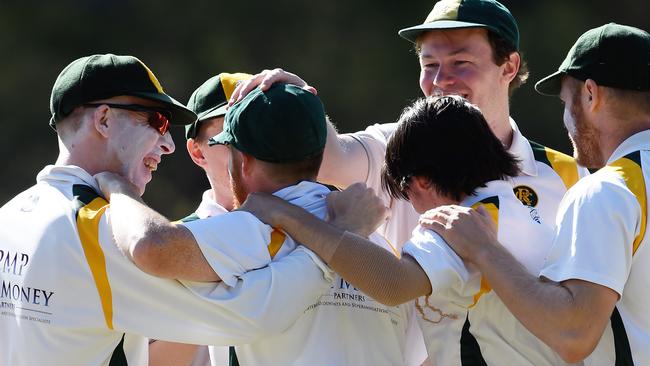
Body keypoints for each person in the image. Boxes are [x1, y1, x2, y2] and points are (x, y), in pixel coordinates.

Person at [228, 0, 587, 362]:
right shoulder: (397, 146)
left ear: (508, 66)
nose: (441, 79)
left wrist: (281, 213)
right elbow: (326, 157)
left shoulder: (568, 175)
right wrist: (299, 98)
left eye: (461, 63)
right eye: (430, 65)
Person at [0, 54, 334, 366]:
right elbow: (252, 316)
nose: (169, 144)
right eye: (156, 122)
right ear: (103, 120)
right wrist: (331, 242)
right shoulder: (101, 232)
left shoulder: (10, 216)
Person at [97, 83, 415, 366]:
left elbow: (152, 246)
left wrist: (117, 188)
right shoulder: (380, 244)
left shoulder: (248, 233)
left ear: (243, 162)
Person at [240, 95, 573, 365]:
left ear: (422, 181)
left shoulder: (463, 221)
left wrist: (286, 215)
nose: (414, 210)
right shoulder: (527, 207)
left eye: (408, 196)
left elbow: (393, 284)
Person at [420, 23, 650, 364]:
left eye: (565, 102)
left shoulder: (607, 189)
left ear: (590, 94)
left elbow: (574, 334)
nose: (566, 122)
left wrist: (483, 249)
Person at [148, 72, 251, 366]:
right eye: (231, 133)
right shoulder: (170, 244)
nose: (250, 146)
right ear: (197, 152)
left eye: (259, 127)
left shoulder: (318, 224)